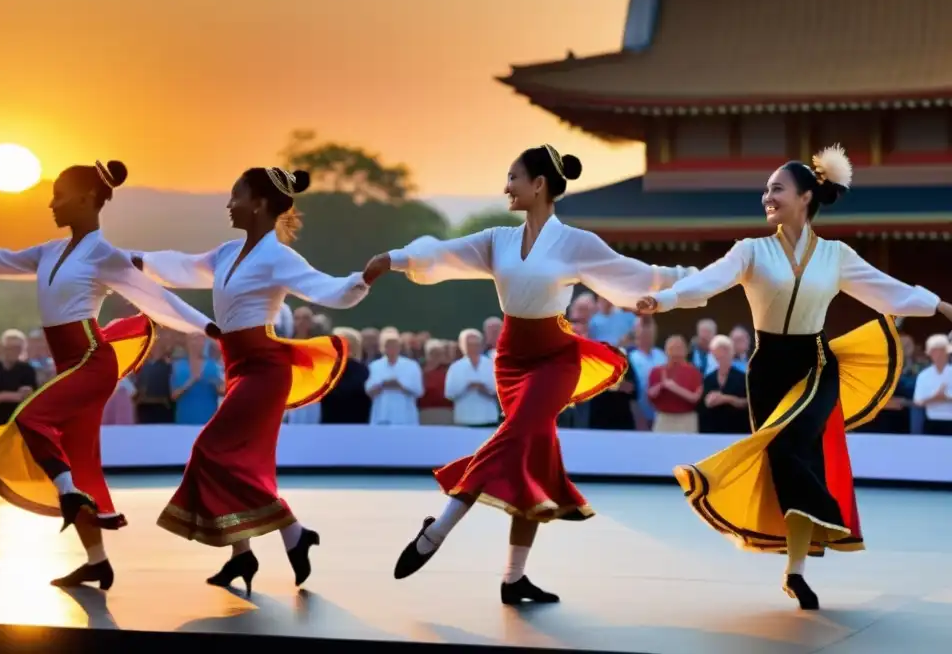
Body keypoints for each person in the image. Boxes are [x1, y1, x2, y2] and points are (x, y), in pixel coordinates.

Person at [362, 144, 697, 604]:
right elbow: (444, 254)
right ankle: (514, 577)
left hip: (557, 357)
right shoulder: (497, 240)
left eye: (513, 177)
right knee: (530, 455)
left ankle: (438, 528)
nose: (506, 187)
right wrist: (394, 259)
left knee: (517, 435)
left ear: (538, 185)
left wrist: (695, 279)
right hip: (512, 360)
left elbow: (631, 272)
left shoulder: (575, 242)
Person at [635, 145, 952, 610]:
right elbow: (705, 282)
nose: (767, 196)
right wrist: (662, 301)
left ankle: (803, 556)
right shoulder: (751, 250)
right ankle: (796, 569)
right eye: (766, 190)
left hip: (817, 363)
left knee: (796, 448)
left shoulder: (835, 255)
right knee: (783, 460)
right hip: (767, 369)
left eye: (777, 188)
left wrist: (941, 306)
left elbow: (887, 290)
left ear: (805, 197)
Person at [0, 160, 218, 591]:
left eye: (59, 194)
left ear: (87, 198)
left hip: (90, 362)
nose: (51, 203)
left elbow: (158, 299)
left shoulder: (106, 256)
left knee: (29, 418)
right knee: (80, 464)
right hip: (70, 366)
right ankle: (97, 560)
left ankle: (67, 494)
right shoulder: (49, 251)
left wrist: (212, 329)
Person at [132, 166, 371, 596]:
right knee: (235, 460)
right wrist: (137, 261)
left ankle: (293, 532)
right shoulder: (228, 252)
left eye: (235, 195)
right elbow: (184, 266)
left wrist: (362, 280)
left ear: (259, 204)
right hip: (238, 365)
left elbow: (328, 290)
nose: (228, 204)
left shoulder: (278, 256)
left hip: (264, 369)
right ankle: (242, 554)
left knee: (210, 449)